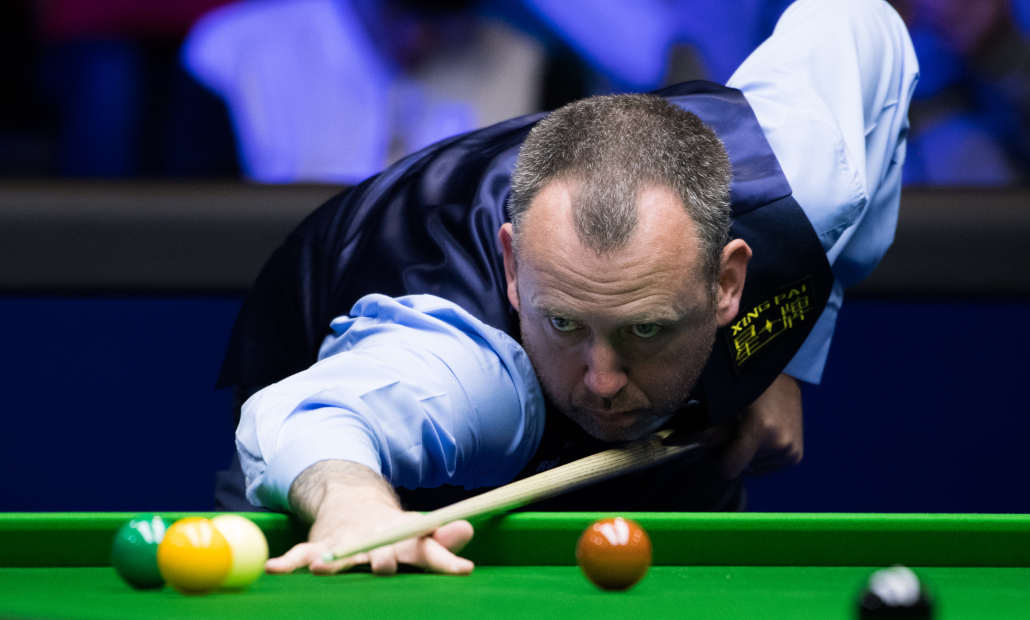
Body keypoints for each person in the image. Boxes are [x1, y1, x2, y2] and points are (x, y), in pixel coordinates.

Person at [217, 0, 918, 576]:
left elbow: (864, 23)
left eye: (645, 329)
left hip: (668, 435)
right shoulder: (469, 365)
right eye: (567, 325)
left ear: (728, 282)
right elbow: (314, 418)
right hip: (398, 502)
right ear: (515, 269)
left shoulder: (804, 178)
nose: (604, 380)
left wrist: (785, 347)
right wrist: (351, 500)